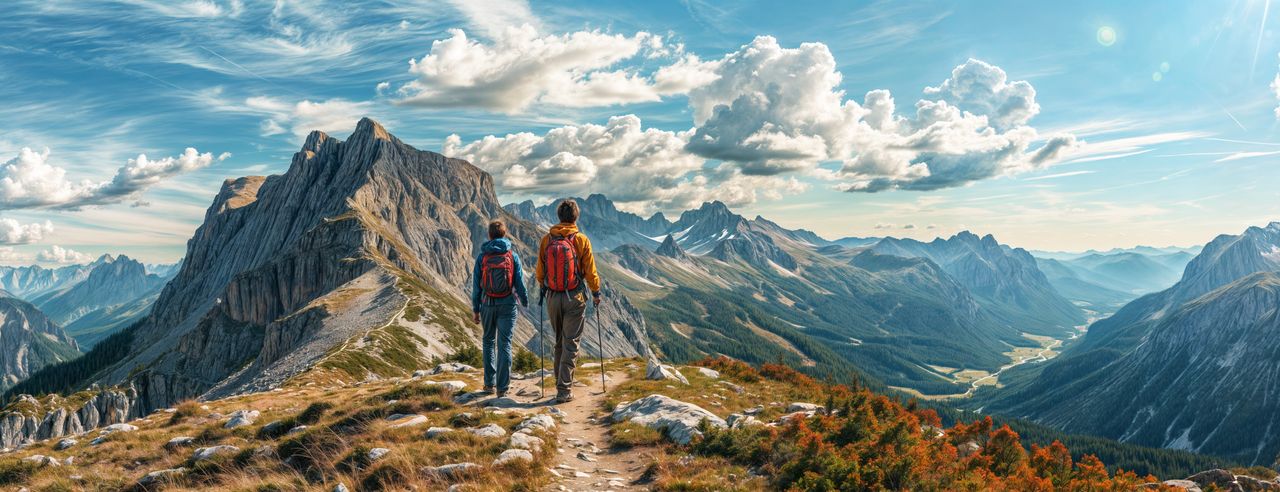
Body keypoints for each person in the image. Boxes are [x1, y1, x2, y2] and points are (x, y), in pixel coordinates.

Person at [536, 199, 601, 403]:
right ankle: (564, 390)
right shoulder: (581, 240)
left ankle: (560, 385)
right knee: (571, 343)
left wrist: (547, 287)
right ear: (576, 217)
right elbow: (590, 272)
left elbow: (539, 272)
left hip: (553, 297)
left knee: (559, 343)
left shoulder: (547, 239)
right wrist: (596, 292)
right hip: (574, 296)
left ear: (558, 216)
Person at [471, 220, 528, 397]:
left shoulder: (482, 257)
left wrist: (476, 309)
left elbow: (476, 286)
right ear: (504, 234)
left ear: (489, 235)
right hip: (508, 305)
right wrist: (524, 301)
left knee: (489, 341)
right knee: (505, 344)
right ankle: (502, 388)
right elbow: (519, 282)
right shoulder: (512, 256)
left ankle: (489, 384)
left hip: (487, 303)